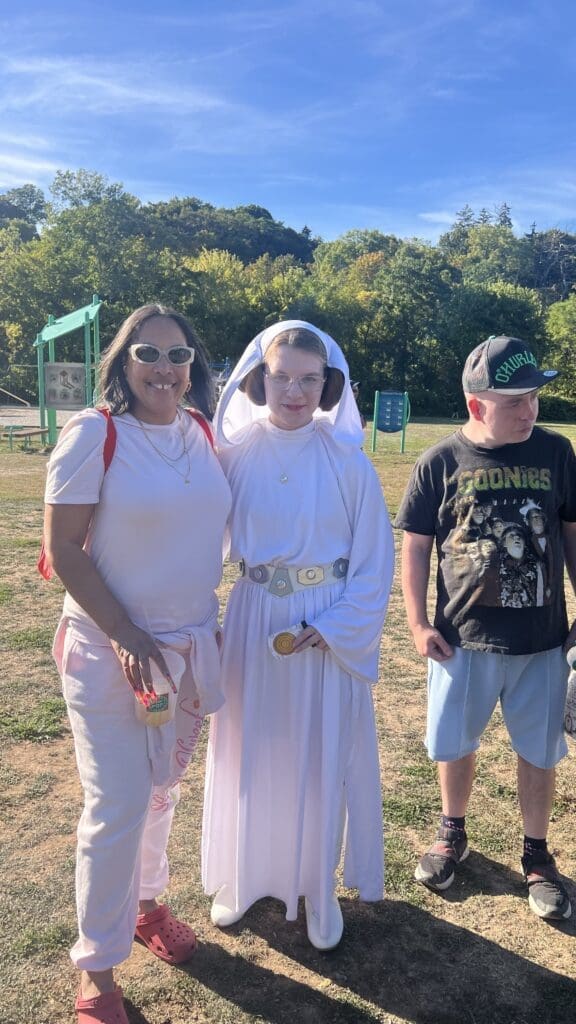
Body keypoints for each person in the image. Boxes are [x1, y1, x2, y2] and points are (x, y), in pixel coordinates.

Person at [43, 304, 231, 1024]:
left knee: (162, 792)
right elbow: (62, 550)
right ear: (123, 361)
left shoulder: (205, 433)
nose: (164, 368)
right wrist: (123, 629)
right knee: (117, 803)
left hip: (186, 651)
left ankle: (149, 905)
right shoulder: (95, 432)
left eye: (178, 355)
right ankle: (96, 968)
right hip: (106, 651)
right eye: (148, 354)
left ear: (194, 367)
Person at [201, 319, 393, 949]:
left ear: (327, 385)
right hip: (255, 615)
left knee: (319, 755)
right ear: (259, 378)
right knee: (251, 749)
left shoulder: (348, 461)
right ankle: (245, 875)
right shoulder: (231, 456)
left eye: (310, 379)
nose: (294, 391)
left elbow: (374, 560)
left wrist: (335, 625)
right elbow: (196, 539)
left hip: (323, 625)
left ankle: (317, 888)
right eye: (282, 377)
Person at [395, 335, 576, 921]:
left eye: (534, 398)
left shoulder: (556, 453)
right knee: (455, 744)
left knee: (539, 752)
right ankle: (452, 833)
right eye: (514, 401)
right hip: (462, 639)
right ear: (477, 406)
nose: (530, 412)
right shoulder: (439, 461)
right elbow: (417, 548)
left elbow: (573, 537)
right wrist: (418, 622)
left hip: (543, 641)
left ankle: (537, 854)